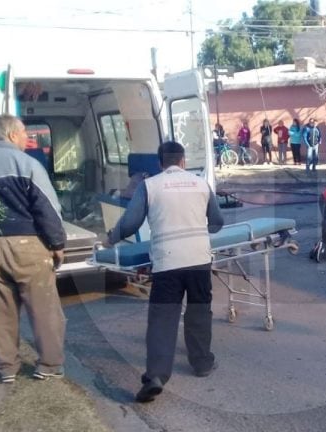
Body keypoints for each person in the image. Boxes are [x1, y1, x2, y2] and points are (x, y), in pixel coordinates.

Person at [106, 140, 224, 403]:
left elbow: (130, 222)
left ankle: (157, 376)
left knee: (163, 319)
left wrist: (111, 238)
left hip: (167, 263)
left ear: (161, 163)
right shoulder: (200, 184)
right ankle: (202, 363)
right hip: (198, 260)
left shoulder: (150, 186)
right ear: (182, 161)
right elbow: (217, 222)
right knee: (199, 311)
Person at [0, 114, 66, 384]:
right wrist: (57, 244)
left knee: (1, 311)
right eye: (25, 133)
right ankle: (49, 365)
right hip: (28, 247)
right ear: (12, 134)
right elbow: (47, 209)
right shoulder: (26, 163)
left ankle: (7, 367)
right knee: (44, 310)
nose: (27, 138)